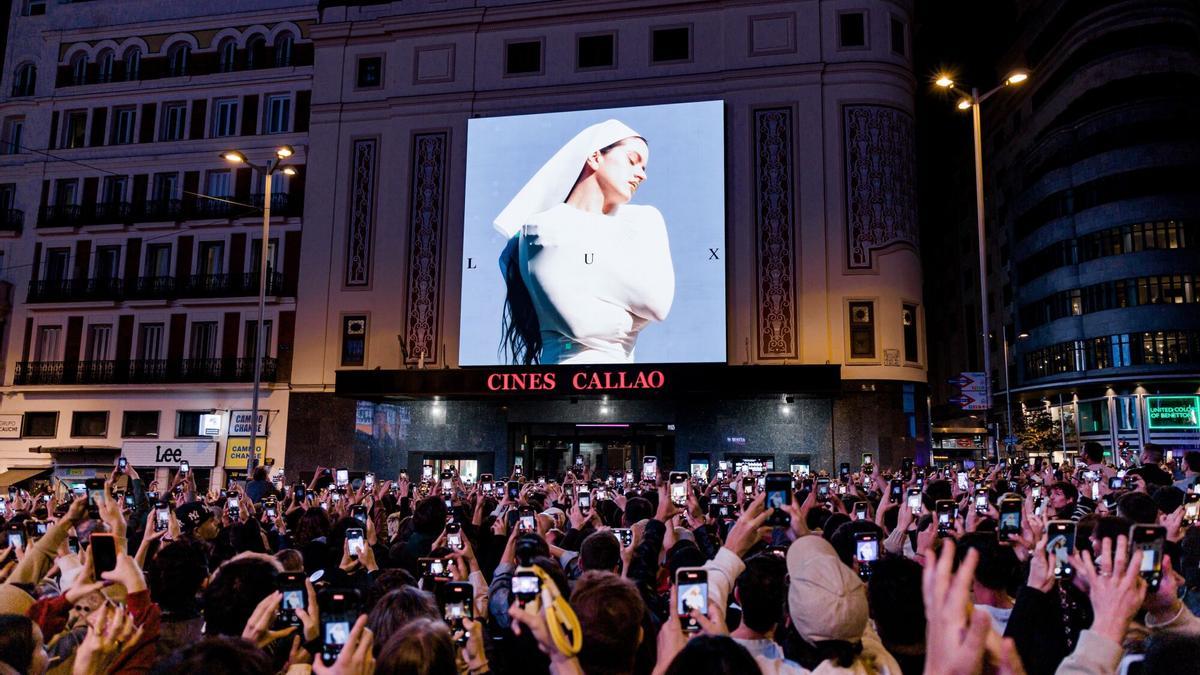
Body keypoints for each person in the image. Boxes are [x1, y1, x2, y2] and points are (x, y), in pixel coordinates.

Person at [495, 119, 674, 365]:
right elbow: (580, 325)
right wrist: (632, 314)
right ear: (595, 157)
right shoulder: (542, 227)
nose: (642, 175)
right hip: (562, 378)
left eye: (644, 167)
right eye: (632, 161)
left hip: (627, 380)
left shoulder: (643, 219)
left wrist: (584, 274)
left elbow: (657, 305)